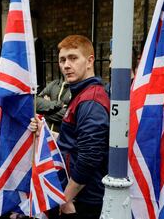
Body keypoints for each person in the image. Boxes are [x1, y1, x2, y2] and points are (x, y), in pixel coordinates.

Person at [30, 35, 110, 219]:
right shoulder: (81, 94)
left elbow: (89, 156)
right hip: (77, 197)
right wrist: (44, 132)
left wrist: (66, 198)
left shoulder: (91, 100)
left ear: (90, 61)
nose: (66, 65)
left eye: (73, 58)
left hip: (83, 201)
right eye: (62, 60)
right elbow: (73, 142)